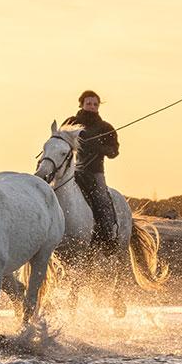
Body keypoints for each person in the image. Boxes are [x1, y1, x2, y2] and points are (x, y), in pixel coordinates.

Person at [63, 90, 119, 256]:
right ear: (81, 104)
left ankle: (109, 238)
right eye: (89, 103)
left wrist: (98, 146)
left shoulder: (106, 127)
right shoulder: (71, 122)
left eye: (95, 104)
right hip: (72, 171)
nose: (92, 107)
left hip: (95, 172)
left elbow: (114, 152)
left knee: (102, 199)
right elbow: (60, 141)